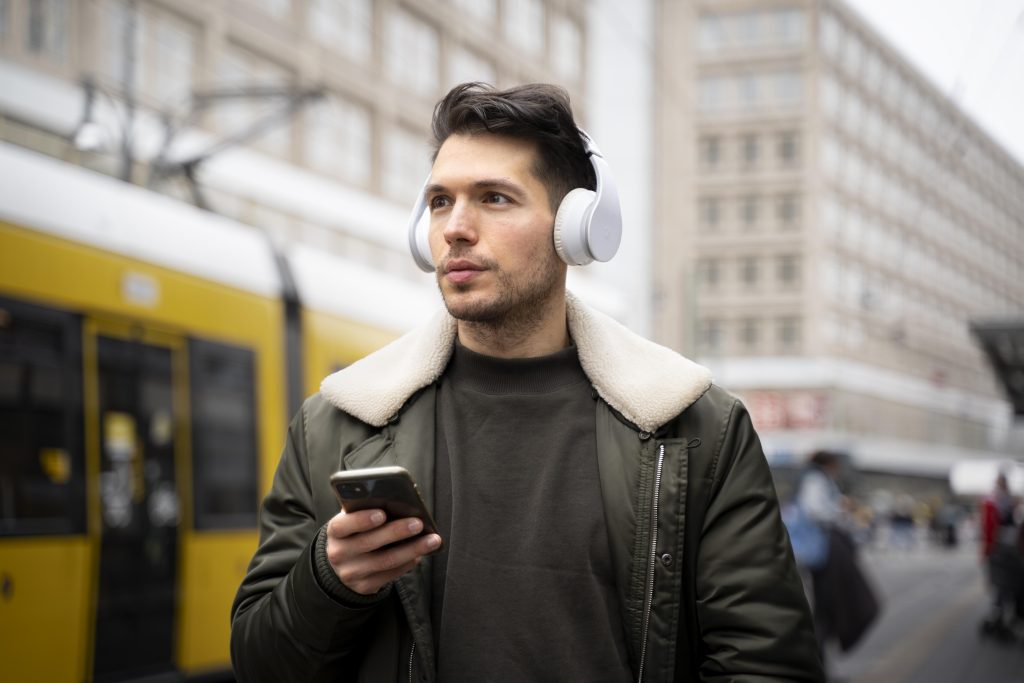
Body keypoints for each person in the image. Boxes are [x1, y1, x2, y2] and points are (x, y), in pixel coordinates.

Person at [230, 82, 823, 682]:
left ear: (576, 229)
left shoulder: (697, 427)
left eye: (494, 198)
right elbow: (258, 663)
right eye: (439, 202)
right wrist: (330, 583)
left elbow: (767, 664)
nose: (456, 227)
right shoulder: (337, 423)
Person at [791, 451, 879, 675]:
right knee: (826, 611)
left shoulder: (816, 479)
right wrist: (840, 507)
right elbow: (815, 510)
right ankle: (816, 668)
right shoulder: (815, 480)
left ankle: (820, 668)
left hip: (824, 552)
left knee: (825, 611)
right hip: (823, 552)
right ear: (829, 464)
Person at [979, 472, 1023, 639]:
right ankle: (1000, 620)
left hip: (1001, 550)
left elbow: (989, 528)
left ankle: (998, 619)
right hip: (1007, 550)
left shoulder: (995, 501)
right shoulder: (1006, 501)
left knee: (1002, 587)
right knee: (1004, 587)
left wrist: (987, 550)